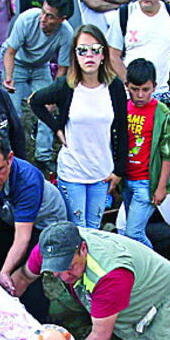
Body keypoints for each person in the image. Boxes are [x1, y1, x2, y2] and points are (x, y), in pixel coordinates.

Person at [5, 222, 170, 340]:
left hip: (155, 290)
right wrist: (2, 312)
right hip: (107, 285)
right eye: (57, 271)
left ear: (83, 249)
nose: (65, 276)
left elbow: (100, 336)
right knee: (65, 310)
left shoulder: (110, 276)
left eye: (70, 267)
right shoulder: (49, 249)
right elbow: (23, 277)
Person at [30, 25, 128, 229]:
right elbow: (35, 102)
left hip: (102, 171)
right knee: (77, 227)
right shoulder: (66, 86)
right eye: (82, 50)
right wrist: (57, 127)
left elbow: (122, 129)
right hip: (73, 170)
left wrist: (119, 170)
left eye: (95, 49)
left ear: (103, 54)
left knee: (94, 227)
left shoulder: (115, 87)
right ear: (75, 55)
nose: (89, 56)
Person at [0, 128, 66, 321]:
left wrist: (7, 272)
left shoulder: (28, 179)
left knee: (24, 274)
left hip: (44, 224)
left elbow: (23, 237)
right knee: (1, 264)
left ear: (10, 158)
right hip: (9, 215)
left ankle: (37, 319)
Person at [2, 0, 74, 171]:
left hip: (41, 66)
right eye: (43, 12)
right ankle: (14, 155)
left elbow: (62, 69)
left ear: (61, 19)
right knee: (13, 111)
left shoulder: (66, 33)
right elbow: (10, 52)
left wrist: (53, 96)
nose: (43, 18)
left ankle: (43, 155)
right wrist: (9, 78)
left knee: (47, 110)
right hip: (17, 62)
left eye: (49, 16)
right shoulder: (26, 19)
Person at [120, 59, 170, 247]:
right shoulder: (121, 107)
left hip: (146, 182)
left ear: (154, 87)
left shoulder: (161, 112)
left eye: (145, 90)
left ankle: (154, 269)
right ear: (126, 86)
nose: (139, 95)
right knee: (132, 231)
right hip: (126, 179)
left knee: (133, 233)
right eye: (134, 89)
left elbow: (168, 153)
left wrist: (161, 187)